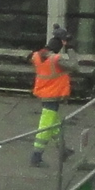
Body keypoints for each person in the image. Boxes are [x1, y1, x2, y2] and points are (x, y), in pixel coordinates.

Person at [30, 28, 73, 168]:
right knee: (45, 127)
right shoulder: (56, 59)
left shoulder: (36, 55)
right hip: (54, 95)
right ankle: (36, 157)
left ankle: (63, 151)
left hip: (44, 93)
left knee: (55, 125)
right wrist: (71, 49)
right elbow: (75, 66)